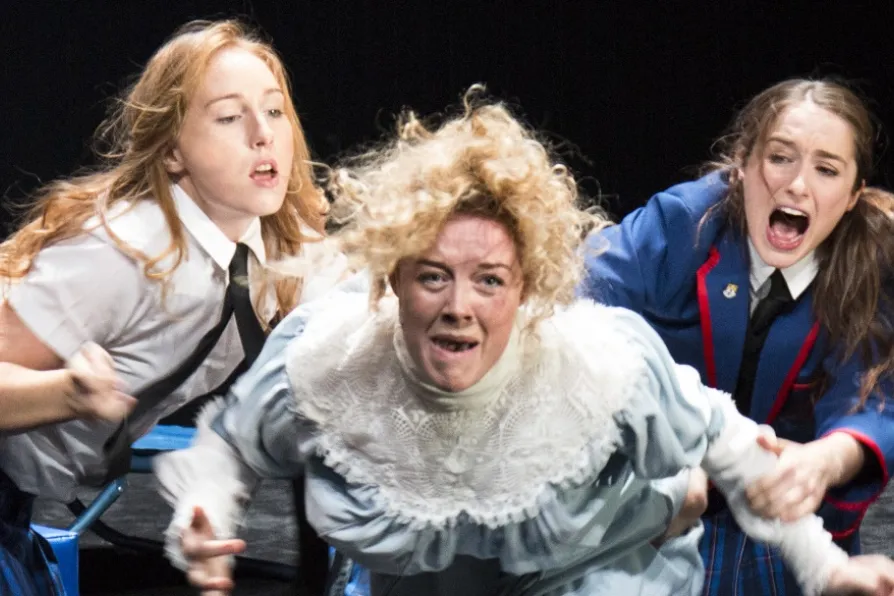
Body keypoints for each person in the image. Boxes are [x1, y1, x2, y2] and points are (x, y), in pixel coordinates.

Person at [155, 90, 894, 596]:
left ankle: (664, 498)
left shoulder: (595, 358)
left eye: (489, 282)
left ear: (528, 290)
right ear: (392, 279)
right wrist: (204, 512)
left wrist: (826, 569)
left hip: (592, 571)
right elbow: (229, 443)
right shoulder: (332, 354)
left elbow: (733, 444)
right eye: (433, 277)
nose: (459, 309)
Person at [0, 19, 344, 595]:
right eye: (229, 117)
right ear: (173, 152)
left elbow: (373, 322)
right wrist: (65, 393)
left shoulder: (281, 248)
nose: (263, 134)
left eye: (275, 111)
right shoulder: (119, 251)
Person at [580, 78, 894, 595]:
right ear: (741, 164)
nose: (798, 185)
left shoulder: (869, 267)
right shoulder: (680, 223)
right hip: (663, 508)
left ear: (853, 195)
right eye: (780, 158)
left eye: (826, 169)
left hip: (784, 517)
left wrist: (824, 460)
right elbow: (576, 303)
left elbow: (871, 398)